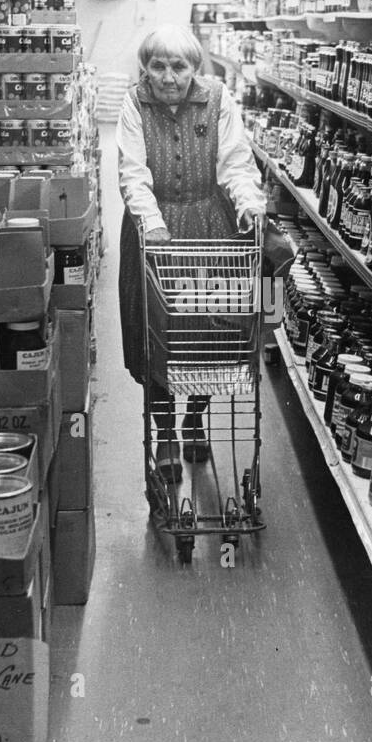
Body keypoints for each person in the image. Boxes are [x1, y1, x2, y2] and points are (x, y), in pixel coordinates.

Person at [117, 24, 266, 485]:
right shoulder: (134, 102)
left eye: (178, 66)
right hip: (155, 230)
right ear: (146, 68)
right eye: (157, 65)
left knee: (205, 331)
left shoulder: (218, 98)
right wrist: (152, 223)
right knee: (158, 333)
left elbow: (236, 163)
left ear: (194, 68)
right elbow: (132, 171)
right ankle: (165, 435)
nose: (167, 76)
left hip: (208, 226)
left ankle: (194, 418)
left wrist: (250, 206)